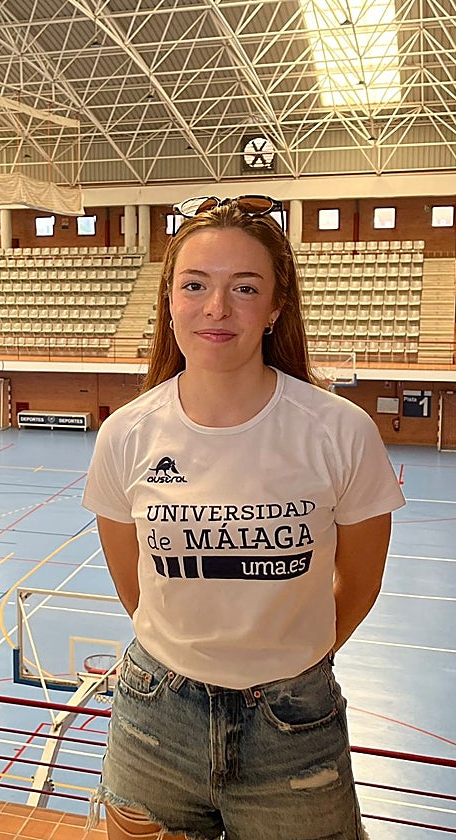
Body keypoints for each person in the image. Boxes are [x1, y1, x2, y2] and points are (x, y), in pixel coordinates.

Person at [82, 196, 405, 840]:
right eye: (194, 285)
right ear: (169, 300)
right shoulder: (126, 435)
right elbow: (134, 586)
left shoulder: (339, 432)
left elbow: (361, 583)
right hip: (154, 720)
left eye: (245, 288)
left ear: (276, 307)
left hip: (293, 725)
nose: (216, 308)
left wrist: (284, 661)